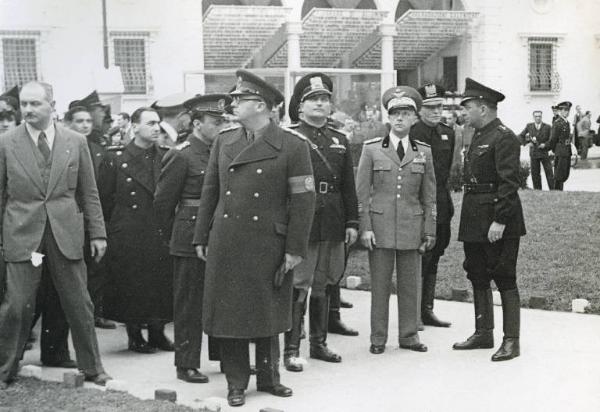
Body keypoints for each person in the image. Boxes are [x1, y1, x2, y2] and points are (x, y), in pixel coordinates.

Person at [192, 69, 315, 407]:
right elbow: (210, 192)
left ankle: (269, 377)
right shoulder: (224, 140)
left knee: (267, 311)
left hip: (268, 242)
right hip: (227, 240)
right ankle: (236, 382)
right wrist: (201, 235)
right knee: (231, 315)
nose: (231, 104)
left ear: (260, 105)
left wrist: (295, 249)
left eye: (239, 99)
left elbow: (304, 202)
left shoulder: (292, 145)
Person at [0, 81, 111, 389]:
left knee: (79, 303)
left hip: (65, 234)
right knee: (17, 304)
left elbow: (89, 192)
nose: (28, 110)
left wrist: (97, 232)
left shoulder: (75, 142)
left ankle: (93, 368)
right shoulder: (6, 143)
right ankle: (5, 369)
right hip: (23, 236)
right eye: (24, 104)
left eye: (35, 104)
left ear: (52, 105)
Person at [283, 73, 358, 373]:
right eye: (313, 99)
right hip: (303, 220)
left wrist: (352, 220)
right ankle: (291, 349)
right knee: (299, 283)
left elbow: (348, 187)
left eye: (325, 99)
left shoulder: (340, 140)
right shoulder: (289, 137)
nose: (320, 104)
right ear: (299, 108)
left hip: (333, 219)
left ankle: (319, 343)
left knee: (324, 282)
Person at [154, 94, 230, 383]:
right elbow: (162, 204)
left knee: (222, 299)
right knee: (190, 302)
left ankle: (225, 357)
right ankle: (186, 363)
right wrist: (176, 235)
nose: (221, 126)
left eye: (223, 121)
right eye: (215, 121)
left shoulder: (223, 150)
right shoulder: (182, 154)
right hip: (189, 236)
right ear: (197, 123)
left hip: (220, 234)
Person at [356, 86, 436, 355]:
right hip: (379, 228)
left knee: (410, 284)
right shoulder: (372, 150)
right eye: (395, 114)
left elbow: (429, 196)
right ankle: (378, 337)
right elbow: (361, 194)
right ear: (388, 118)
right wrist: (364, 228)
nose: (400, 119)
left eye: (406, 114)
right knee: (379, 285)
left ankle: (409, 336)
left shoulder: (424, 151)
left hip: (411, 226)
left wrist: (429, 230)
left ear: (415, 118)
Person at [452, 78, 526, 362]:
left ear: (483, 108)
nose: (465, 112)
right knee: (477, 272)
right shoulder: (478, 135)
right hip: (474, 215)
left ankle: (511, 340)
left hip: (497, 217)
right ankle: (484, 332)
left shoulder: (504, 136)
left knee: (504, 275)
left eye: (468, 106)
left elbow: (509, 183)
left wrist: (500, 221)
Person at [97, 107, 174, 354]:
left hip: (158, 228)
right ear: (135, 126)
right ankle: (134, 334)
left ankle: (157, 332)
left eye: (158, 124)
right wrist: (115, 229)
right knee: (132, 283)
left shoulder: (165, 156)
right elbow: (104, 198)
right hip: (129, 230)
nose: (156, 128)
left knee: (160, 281)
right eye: (150, 123)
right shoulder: (116, 158)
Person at [410, 83, 454, 328]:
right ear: (420, 110)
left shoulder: (447, 132)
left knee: (435, 255)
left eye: (439, 106)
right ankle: (413, 311)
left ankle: (427, 309)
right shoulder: (413, 133)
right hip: (419, 203)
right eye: (430, 107)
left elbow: (446, 173)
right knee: (420, 258)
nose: (436, 111)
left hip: (441, 203)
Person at [518, 110, 553, 190]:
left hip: (544, 153)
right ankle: (537, 190)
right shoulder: (529, 126)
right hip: (534, 153)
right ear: (533, 117)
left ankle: (553, 189)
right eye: (536, 116)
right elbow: (521, 136)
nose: (538, 118)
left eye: (539, 116)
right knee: (535, 173)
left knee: (549, 172)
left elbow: (551, 140)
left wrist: (545, 145)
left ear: (541, 117)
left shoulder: (547, 127)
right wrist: (526, 144)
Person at [548, 101, 573, 191]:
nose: (567, 112)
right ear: (560, 111)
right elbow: (553, 139)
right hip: (560, 150)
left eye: (568, 110)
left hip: (566, 150)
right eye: (565, 110)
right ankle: (557, 191)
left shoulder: (567, 122)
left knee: (564, 173)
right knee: (559, 174)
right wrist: (552, 149)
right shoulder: (557, 123)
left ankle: (559, 191)